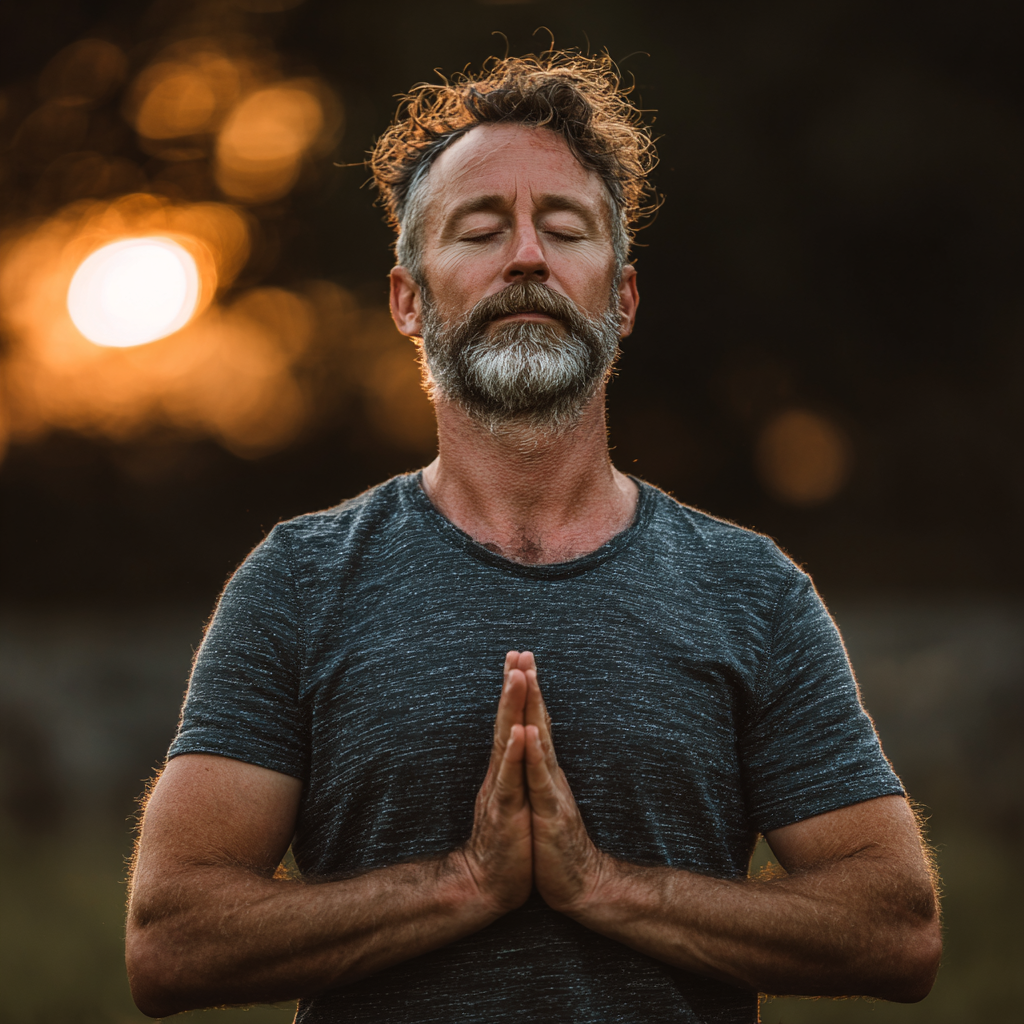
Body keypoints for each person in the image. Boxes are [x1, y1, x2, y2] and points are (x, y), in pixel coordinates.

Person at [126, 52, 941, 1023]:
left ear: (622, 299)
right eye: (480, 229)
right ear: (407, 299)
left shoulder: (749, 590)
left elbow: (897, 928)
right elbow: (170, 941)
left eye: (564, 228)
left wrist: (600, 885)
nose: (525, 256)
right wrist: (464, 883)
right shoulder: (298, 582)